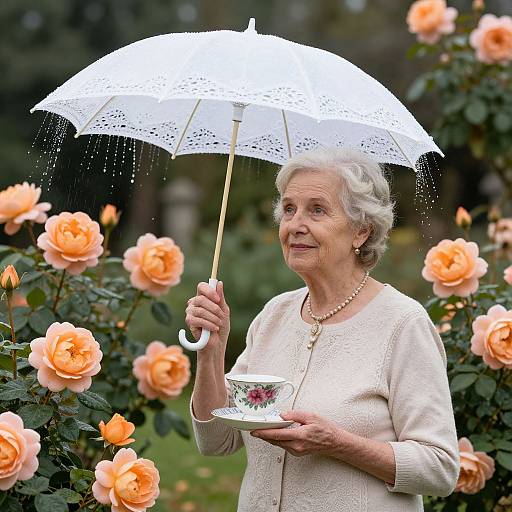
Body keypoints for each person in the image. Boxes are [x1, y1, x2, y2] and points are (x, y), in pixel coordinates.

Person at [186, 147, 460, 512]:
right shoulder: (275, 315)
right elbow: (216, 440)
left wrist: (338, 443)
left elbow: (440, 469)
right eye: (288, 209)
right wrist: (212, 350)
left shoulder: (402, 324)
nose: (295, 224)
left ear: (361, 231)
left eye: (317, 209)